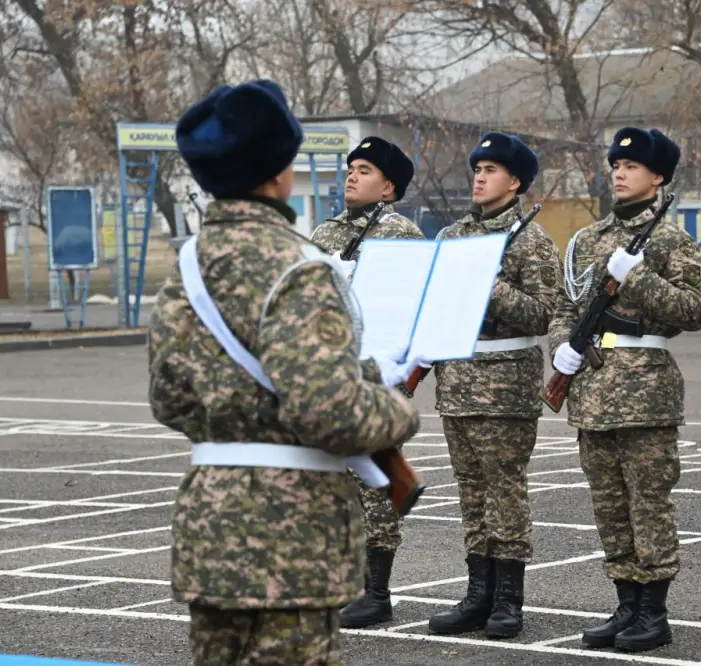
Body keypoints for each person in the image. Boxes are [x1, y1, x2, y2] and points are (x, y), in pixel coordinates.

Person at [146, 79, 423, 666]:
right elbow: (332, 411)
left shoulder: (187, 267)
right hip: (290, 531)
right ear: (277, 173)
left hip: (210, 522)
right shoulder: (300, 266)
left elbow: (168, 399)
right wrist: (398, 408)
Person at [548, 127, 701, 653]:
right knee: (609, 507)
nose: (619, 172)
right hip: (592, 392)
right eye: (615, 164)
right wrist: (560, 349)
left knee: (649, 505)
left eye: (632, 166)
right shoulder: (588, 239)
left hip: (644, 394)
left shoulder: (671, 240)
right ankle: (625, 604)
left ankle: (653, 613)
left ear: (657, 176)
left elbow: (693, 311)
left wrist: (638, 279)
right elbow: (565, 307)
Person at [427, 131, 561, 639]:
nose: (479, 177)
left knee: (505, 492)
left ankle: (508, 601)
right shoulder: (452, 236)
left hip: (506, 383)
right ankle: (478, 594)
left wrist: (491, 284)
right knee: (471, 492)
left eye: (491, 171)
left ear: (516, 181)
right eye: (476, 169)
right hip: (458, 381)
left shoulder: (531, 239)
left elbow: (544, 313)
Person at [310, 135, 424, 629]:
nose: (352, 175)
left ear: (388, 188)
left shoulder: (402, 235)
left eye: (365, 170)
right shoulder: (324, 232)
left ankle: (376, 592)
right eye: (351, 167)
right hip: (329, 374)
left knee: (375, 483)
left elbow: (416, 307)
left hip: (375, 375)